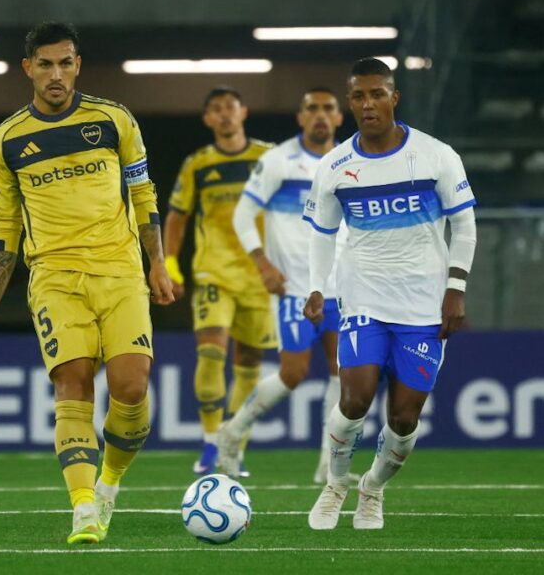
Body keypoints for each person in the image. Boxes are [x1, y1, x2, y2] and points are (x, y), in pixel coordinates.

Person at [0, 22, 174, 545]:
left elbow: (143, 192)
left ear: (78, 65)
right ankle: (82, 510)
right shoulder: (4, 140)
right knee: (72, 383)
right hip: (53, 276)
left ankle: (109, 485)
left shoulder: (114, 119)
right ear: (28, 68)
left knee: (131, 386)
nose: (57, 74)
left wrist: (158, 263)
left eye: (66, 63)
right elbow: (3, 219)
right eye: (46, 64)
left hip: (120, 271)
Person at [303, 58, 477, 530]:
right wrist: (318, 287)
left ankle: (372, 488)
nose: (367, 104)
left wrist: (455, 289)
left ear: (394, 97)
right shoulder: (335, 165)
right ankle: (336, 483)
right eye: (358, 96)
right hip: (363, 300)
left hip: (423, 305)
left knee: (403, 418)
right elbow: (322, 232)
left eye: (377, 94)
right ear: (350, 102)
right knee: (355, 399)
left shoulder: (436, 155)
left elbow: (463, 225)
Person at [217, 88, 346, 483]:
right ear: (300, 117)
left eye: (328, 109)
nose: (320, 116)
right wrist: (262, 263)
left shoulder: (349, 161)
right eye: (312, 109)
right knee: (293, 374)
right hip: (294, 289)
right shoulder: (278, 161)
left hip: (343, 287)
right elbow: (243, 215)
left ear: (339, 118)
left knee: (345, 373)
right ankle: (231, 433)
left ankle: (329, 464)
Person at [163, 87, 275, 475]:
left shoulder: (268, 157)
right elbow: (177, 215)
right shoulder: (197, 164)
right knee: (210, 351)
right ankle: (211, 443)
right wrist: (170, 264)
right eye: (216, 110)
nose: (225, 115)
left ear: (243, 112)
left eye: (231, 108)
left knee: (249, 362)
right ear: (208, 119)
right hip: (214, 270)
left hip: (259, 275)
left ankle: (234, 445)